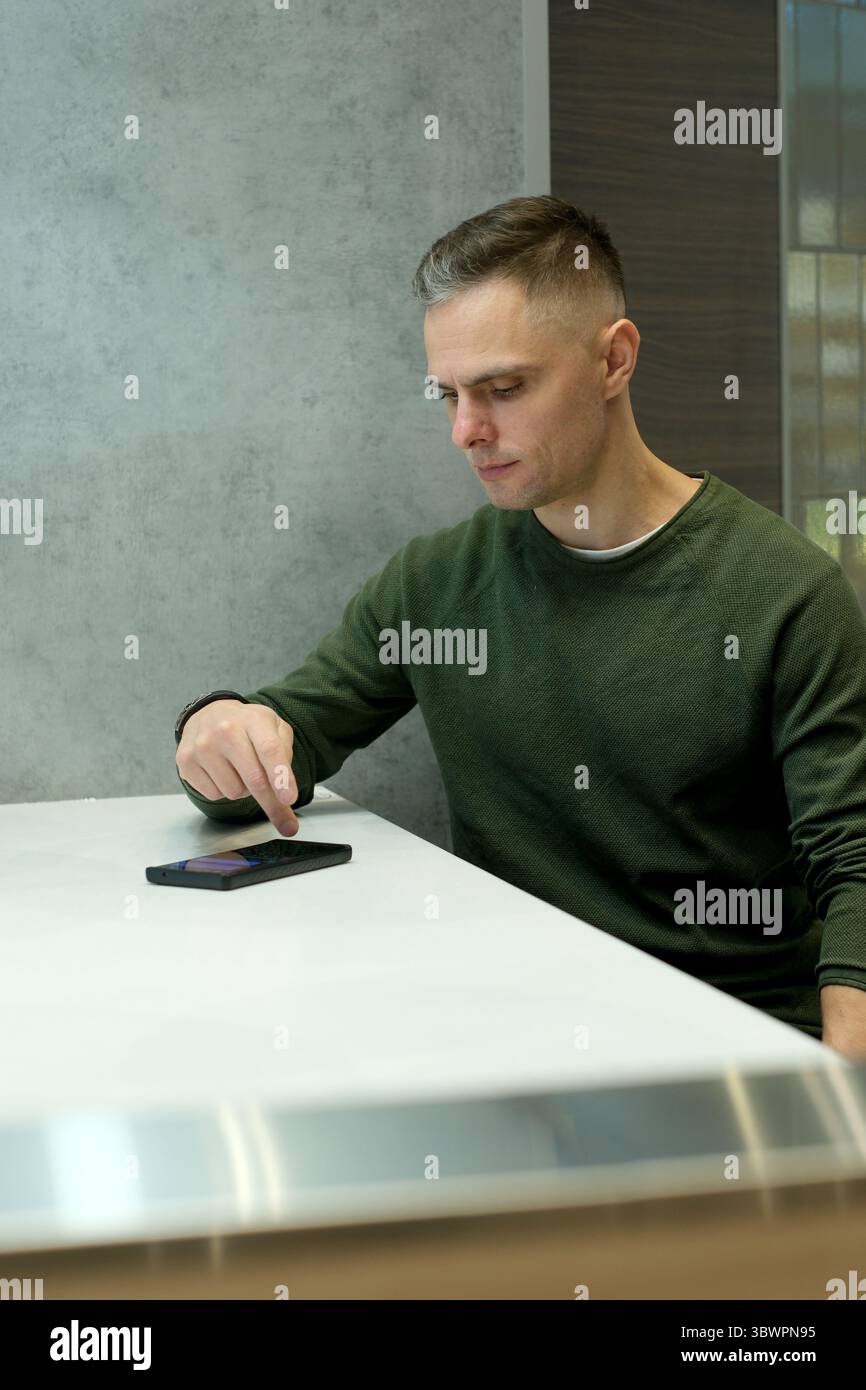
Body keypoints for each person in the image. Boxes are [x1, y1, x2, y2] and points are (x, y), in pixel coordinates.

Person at [174, 195, 866, 1057]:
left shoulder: (785, 593)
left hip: (727, 1059)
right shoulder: (435, 585)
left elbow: (855, 868)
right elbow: (277, 745)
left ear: (614, 360)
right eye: (450, 395)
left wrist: (839, 1112)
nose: (468, 430)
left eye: (504, 389)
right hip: (507, 1043)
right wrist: (218, 731)